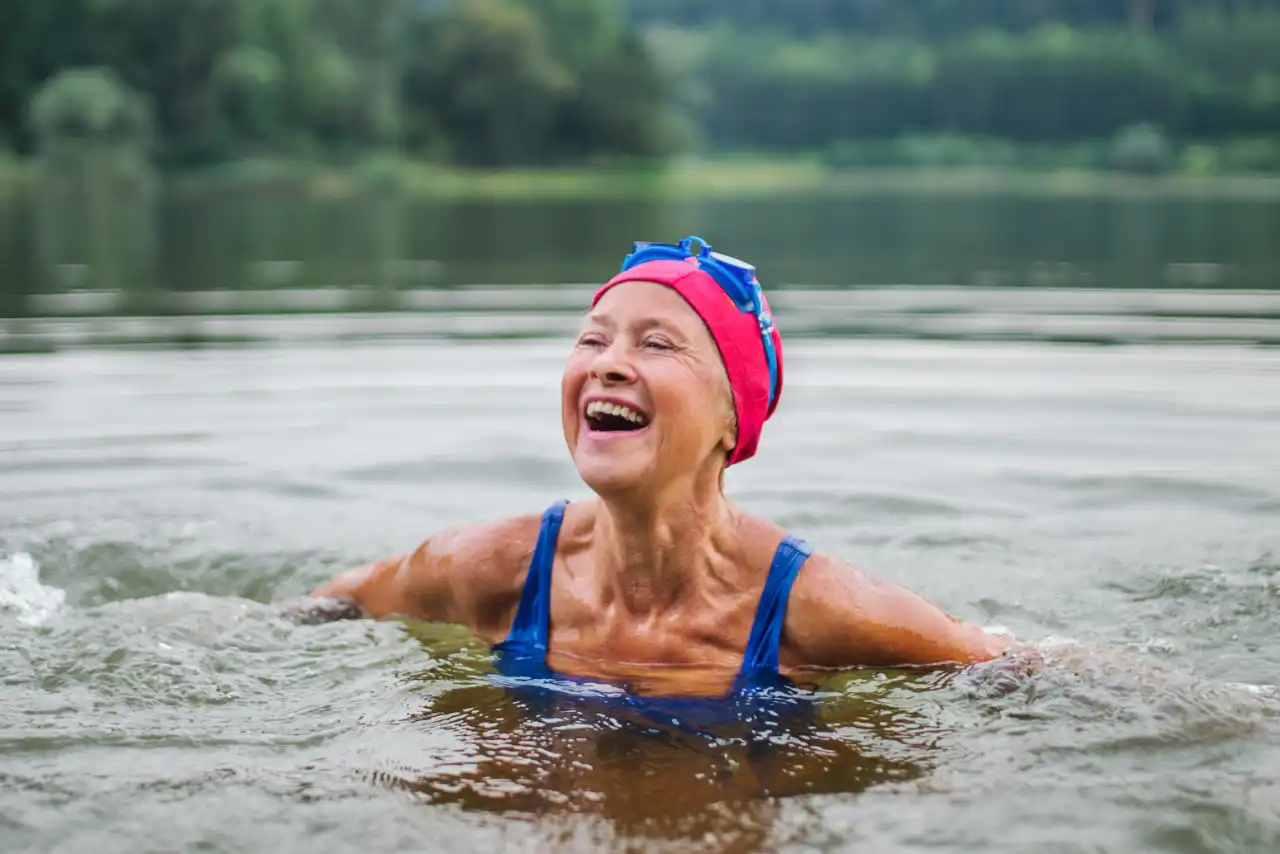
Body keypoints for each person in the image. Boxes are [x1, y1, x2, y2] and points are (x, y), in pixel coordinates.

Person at [309, 236, 1011, 699]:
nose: (608, 362)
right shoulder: (490, 568)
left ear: (735, 417)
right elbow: (333, 605)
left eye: (657, 345)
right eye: (593, 338)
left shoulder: (818, 608)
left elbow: (1019, 667)